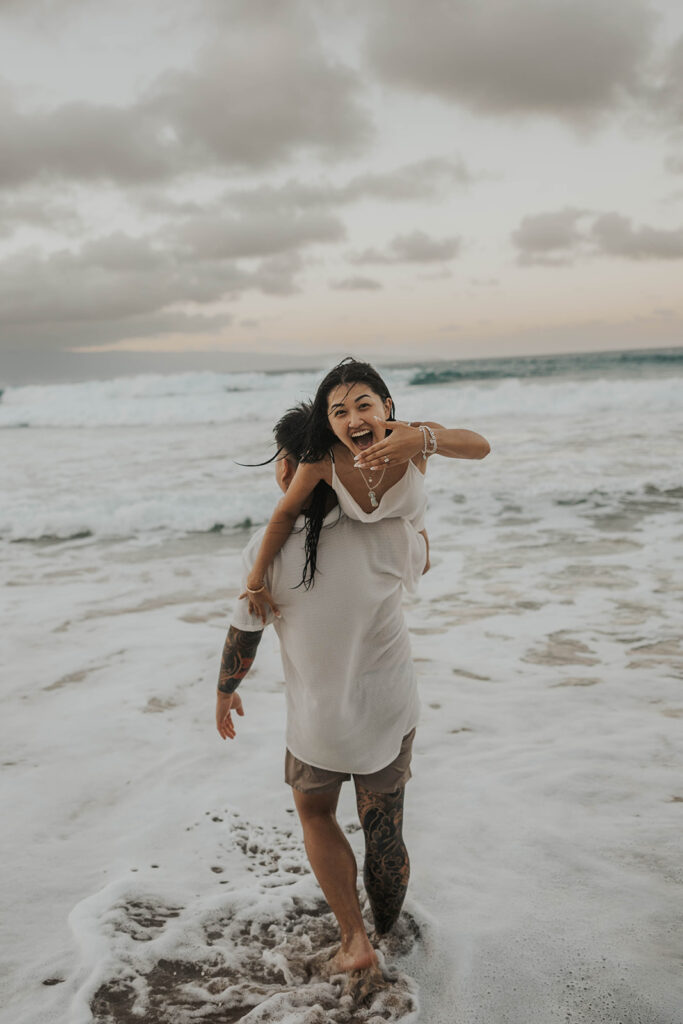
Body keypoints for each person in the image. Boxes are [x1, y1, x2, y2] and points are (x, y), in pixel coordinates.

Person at [216, 402, 433, 977]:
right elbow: (424, 557)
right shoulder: (387, 534)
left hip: (319, 722)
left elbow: (246, 628)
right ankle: (387, 940)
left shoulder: (265, 553)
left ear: (290, 468)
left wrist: (225, 691)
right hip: (388, 710)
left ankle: (354, 939)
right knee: (384, 825)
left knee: (316, 813)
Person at [241, 358, 490, 624]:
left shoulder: (413, 439)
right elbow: (287, 510)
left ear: (386, 406)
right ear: (328, 424)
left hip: (412, 548)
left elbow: (481, 448)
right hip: (363, 557)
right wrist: (255, 580)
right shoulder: (324, 461)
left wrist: (422, 439)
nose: (354, 420)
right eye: (340, 413)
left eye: (364, 406)